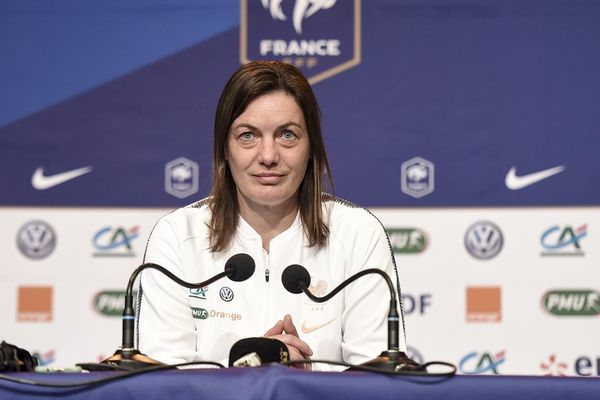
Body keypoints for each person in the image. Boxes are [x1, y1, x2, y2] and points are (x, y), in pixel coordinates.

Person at [136, 60, 406, 371]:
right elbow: (161, 381)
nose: (268, 156)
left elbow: (380, 378)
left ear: (311, 147)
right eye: (248, 135)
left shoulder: (358, 233)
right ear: (224, 148)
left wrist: (307, 374)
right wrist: (251, 366)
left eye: (287, 135)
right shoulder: (177, 234)